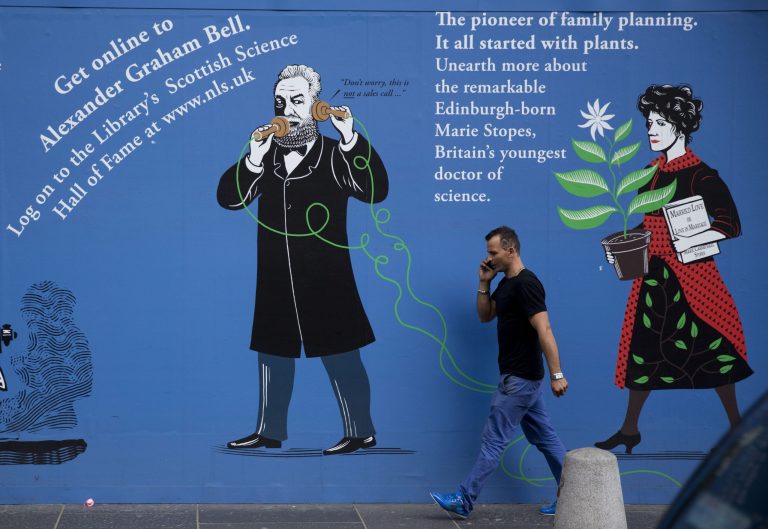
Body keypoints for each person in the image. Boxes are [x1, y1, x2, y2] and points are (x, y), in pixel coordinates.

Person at [216, 64, 389, 455]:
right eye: (281, 102)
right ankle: (269, 430)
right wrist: (253, 159)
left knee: (341, 352)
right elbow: (229, 198)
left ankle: (360, 431)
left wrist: (349, 138)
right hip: (277, 278)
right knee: (274, 354)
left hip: (327, 278)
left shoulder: (334, 154)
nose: (288, 109)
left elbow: (376, 189)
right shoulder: (266, 157)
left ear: (316, 106)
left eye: (297, 100)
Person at [596, 85, 752, 454]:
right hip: (655, 280)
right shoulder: (649, 173)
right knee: (644, 351)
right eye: (649, 122)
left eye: (660, 122)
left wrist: (692, 239)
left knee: (715, 348)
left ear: (680, 126)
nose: (651, 129)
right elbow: (649, 225)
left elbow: (730, 223)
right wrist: (624, 241)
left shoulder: (701, 175)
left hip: (693, 279)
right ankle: (630, 429)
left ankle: (737, 429)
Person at [430, 226, 568, 518]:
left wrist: (557, 374)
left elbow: (544, 328)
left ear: (511, 250)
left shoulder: (527, 283)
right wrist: (484, 283)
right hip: (523, 379)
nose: (488, 258)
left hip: (518, 381)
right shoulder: (506, 283)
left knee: (493, 441)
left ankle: (464, 499)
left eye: (493, 252)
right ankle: (573, 496)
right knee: (546, 439)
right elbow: (485, 316)